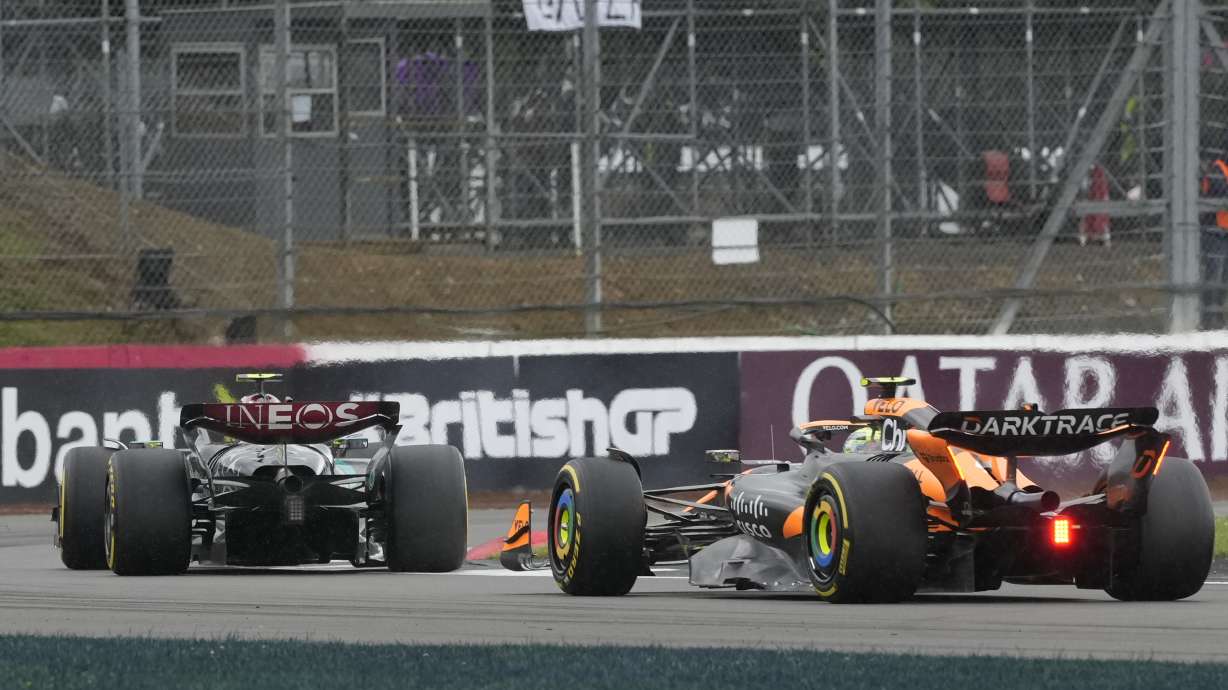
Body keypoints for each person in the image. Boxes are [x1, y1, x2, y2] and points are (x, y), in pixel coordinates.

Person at [1200, 159, 1228, 328]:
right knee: (1214, 276)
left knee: (1224, 278)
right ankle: (1208, 320)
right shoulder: (1218, 168)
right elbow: (1220, 192)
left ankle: (1218, 317)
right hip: (1215, 231)